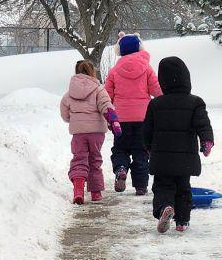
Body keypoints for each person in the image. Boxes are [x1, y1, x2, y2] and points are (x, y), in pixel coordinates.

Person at [143, 56, 214, 233]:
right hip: (185, 157)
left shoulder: (155, 104)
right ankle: (182, 221)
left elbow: (147, 130)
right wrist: (206, 141)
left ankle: (164, 208)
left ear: (162, 81)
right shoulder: (195, 102)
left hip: (162, 157)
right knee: (183, 188)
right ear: (186, 78)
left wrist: (148, 148)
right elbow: (203, 124)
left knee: (162, 186)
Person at [105, 32, 163, 195]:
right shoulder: (146, 68)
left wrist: (108, 112)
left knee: (121, 148)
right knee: (141, 151)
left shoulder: (115, 70)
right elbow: (156, 90)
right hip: (143, 118)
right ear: (139, 48)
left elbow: (107, 95)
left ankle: (121, 168)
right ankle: (141, 186)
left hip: (121, 118)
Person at [59, 60, 121, 204]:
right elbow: (106, 106)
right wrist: (114, 121)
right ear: (92, 72)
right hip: (96, 133)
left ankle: (78, 190)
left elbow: (64, 113)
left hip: (78, 133)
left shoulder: (69, 93)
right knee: (94, 160)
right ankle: (96, 193)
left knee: (79, 159)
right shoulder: (99, 89)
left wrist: (73, 119)